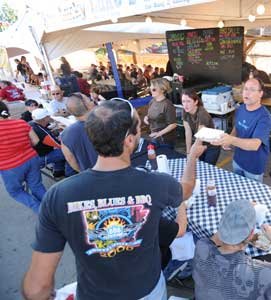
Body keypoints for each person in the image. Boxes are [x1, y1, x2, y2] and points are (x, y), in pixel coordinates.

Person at [22, 99, 206, 300]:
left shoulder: (57, 195)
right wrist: (192, 157)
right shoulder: (157, 184)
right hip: (147, 292)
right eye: (138, 129)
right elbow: (186, 190)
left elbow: (36, 289)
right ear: (129, 140)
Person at [192, 200, 271, 300]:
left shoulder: (201, 246)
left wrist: (237, 214)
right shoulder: (263, 272)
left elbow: (215, 237)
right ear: (252, 234)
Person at [212, 78, 271, 182]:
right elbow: (237, 127)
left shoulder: (264, 117)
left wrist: (231, 140)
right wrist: (228, 141)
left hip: (253, 166)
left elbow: (255, 145)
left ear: (260, 94)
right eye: (245, 89)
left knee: (252, 196)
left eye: (252, 90)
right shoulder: (241, 108)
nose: (247, 93)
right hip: (237, 160)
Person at [0, 102, 46, 214]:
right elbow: (35, 141)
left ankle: (40, 210)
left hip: (10, 167)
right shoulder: (21, 123)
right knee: (37, 186)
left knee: (15, 191)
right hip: (31, 159)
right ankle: (52, 207)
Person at [182, 89, 221, 165]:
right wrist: (188, 152)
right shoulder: (185, 111)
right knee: (199, 166)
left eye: (188, 101)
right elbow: (188, 132)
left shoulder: (202, 114)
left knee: (208, 169)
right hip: (201, 143)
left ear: (196, 102)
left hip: (212, 145)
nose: (185, 105)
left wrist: (192, 154)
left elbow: (200, 137)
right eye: (183, 101)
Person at [60, 93, 97, 172]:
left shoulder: (65, 135)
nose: (93, 102)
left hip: (90, 178)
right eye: (90, 100)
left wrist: (84, 172)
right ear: (87, 105)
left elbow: (70, 160)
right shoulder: (106, 123)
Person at [30, 108, 71, 177]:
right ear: (44, 118)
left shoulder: (31, 123)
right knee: (69, 150)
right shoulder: (41, 131)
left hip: (32, 156)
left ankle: (58, 170)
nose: (49, 117)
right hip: (40, 158)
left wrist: (55, 131)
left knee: (58, 151)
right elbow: (58, 144)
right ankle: (70, 174)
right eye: (48, 116)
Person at [144, 78, 177, 149]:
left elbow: (173, 124)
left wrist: (159, 133)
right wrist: (146, 117)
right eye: (151, 89)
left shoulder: (167, 104)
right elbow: (150, 114)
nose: (151, 91)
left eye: (154, 89)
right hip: (154, 136)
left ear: (162, 90)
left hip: (165, 140)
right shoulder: (152, 101)